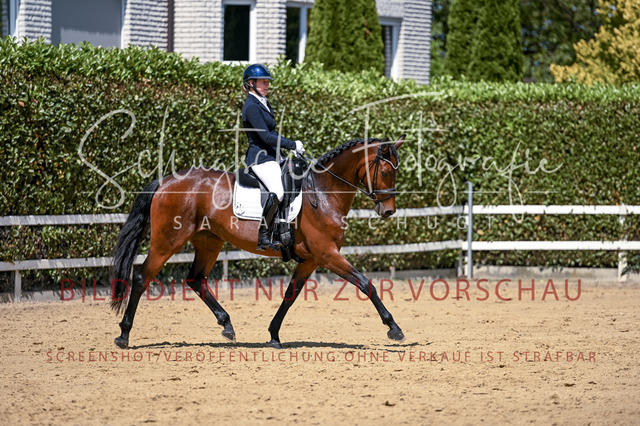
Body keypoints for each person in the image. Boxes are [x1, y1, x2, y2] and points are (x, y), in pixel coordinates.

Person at [241, 63, 305, 251]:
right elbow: (266, 137)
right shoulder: (251, 106)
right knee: (278, 191)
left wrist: (289, 150)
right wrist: (292, 144)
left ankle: (284, 227)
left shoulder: (263, 102)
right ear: (251, 83)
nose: (267, 85)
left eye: (268, 82)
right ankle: (263, 235)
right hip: (260, 158)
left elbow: (273, 133)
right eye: (263, 82)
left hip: (273, 156)